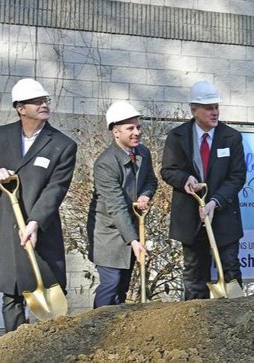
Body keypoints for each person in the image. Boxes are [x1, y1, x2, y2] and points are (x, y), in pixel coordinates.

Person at [0, 78, 77, 332]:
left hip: (42, 226)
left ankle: (50, 345)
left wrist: (35, 221)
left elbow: (56, 188)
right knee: (11, 291)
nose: (44, 104)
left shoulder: (63, 144)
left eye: (45, 100)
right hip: (6, 227)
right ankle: (13, 347)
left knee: (49, 283)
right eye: (37, 101)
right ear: (20, 108)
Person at [160, 80, 246, 300]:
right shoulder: (177, 137)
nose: (215, 112)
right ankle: (195, 324)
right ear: (194, 110)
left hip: (224, 216)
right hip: (191, 219)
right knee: (194, 274)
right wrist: (185, 179)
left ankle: (237, 322)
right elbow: (168, 171)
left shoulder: (232, 137)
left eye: (216, 107)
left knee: (230, 270)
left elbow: (237, 176)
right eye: (209, 108)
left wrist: (215, 201)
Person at [87, 101, 157, 307]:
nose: (137, 132)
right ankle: (95, 329)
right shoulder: (106, 163)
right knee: (111, 283)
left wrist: (145, 196)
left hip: (131, 228)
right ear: (116, 132)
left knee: (123, 287)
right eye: (130, 128)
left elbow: (151, 181)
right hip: (108, 233)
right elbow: (116, 205)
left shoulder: (143, 153)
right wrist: (134, 240)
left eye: (138, 127)